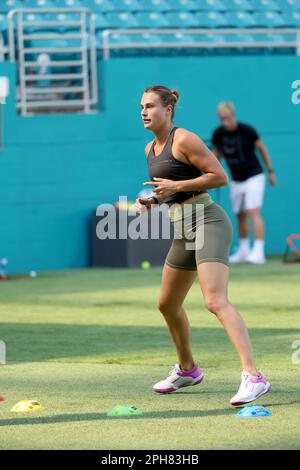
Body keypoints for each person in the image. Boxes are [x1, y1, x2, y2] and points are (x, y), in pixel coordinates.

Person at [135, 85, 271, 406]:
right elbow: (169, 189)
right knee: (166, 304)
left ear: (168, 110)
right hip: (183, 228)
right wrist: (154, 199)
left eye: (151, 106)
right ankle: (188, 370)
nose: (144, 111)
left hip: (208, 220)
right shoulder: (149, 150)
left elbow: (219, 175)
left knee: (214, 301)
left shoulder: (184, 138)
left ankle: (254, 376)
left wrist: (176, 185)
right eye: (141, 106)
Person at [212, 102, 276, 264]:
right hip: (236, 179)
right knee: (240, 215)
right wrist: (214, 173)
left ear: (233, 115)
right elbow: (217, 155)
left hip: (254, 176)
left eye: (226, 118)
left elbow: (262, 149)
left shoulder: (247, 130)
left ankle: (259, 251)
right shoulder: (218, 134)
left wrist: (270, 171)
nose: (224, 122)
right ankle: (244, 250)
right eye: (221, 119)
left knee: (253, 211)